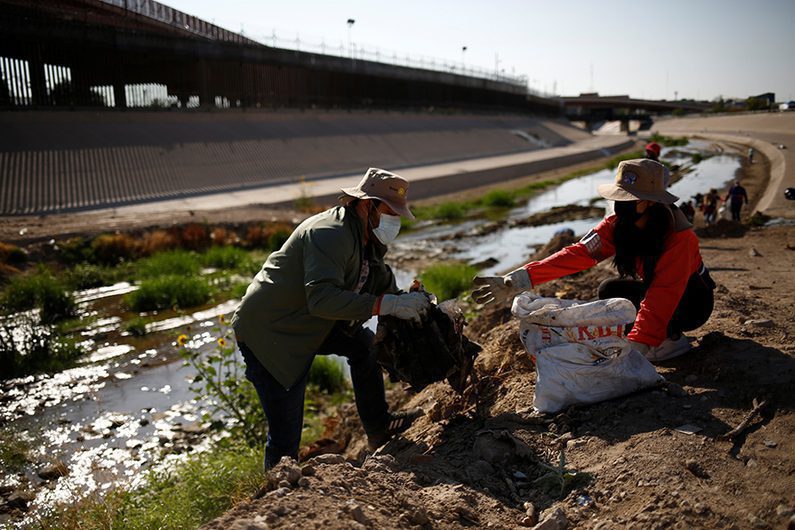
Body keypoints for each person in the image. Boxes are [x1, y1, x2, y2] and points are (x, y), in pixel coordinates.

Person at [231, 168, 431, 469]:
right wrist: (385, 304)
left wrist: (410, 301)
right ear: (367, 205)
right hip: (273, 331)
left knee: (363, 345)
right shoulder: (330, 234)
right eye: (391, 212)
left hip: (310, 321)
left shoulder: (366, 237)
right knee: (286, 435)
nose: (395, 221)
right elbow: (322, 299)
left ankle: (379, 427)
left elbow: (380, 279)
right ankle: (278, 492)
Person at [473, 159, 715, 363]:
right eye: (619, 197)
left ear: (651, 201)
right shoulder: (616, 227)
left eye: (630, 199)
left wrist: (635, 347)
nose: (621, 204)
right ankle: (654, 336)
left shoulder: (678, 237)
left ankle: (669, 340)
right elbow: (577, 254)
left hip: (691, 302)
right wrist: (522, 278)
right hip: (658, 289)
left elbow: (663, 294)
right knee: (609, 290)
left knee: (647, 326)